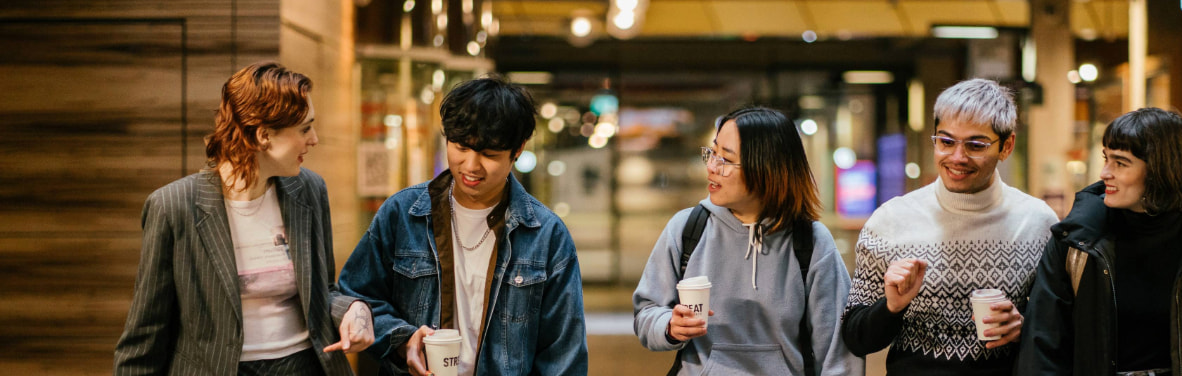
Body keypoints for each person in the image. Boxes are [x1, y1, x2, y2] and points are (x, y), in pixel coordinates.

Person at [114, 61, 374, 375]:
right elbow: (146, 333)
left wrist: (354, 309)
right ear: (264, 136)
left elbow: (323, 291)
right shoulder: (173, 207)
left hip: (306, 366)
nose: (315, 139)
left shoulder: (308, 190)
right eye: (305, 128)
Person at [338, 76, 587, 376]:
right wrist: (404, 340)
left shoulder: (545, 234)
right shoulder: (403, 214)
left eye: (489, 154)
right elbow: (358, 295)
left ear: (517, 150)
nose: (471, 165)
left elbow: (563, 354)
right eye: (461, 147)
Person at [1017, 108, 1182, 375]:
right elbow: (1043, 344)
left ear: (1160, 170)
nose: (1105, 172)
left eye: (1120, 163)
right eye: (1107, 159)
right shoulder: (1076, 240)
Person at [840, 78, 1057, 376]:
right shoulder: (890, 221)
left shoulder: (1038, 222)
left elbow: (1064, 328)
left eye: (975, 145)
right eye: (946, 141)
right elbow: (855, 338)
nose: (957, 157)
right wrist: (891, 307)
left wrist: (1025, 326)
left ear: (1007, 146)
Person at [632, 107, 863, 376]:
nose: (711, 167)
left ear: (766, 169)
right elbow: (646, 313)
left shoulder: (811, 242)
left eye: (726, 160)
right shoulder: (686, 228)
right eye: (713, 153)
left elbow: (838, 353)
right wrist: (669, 327)